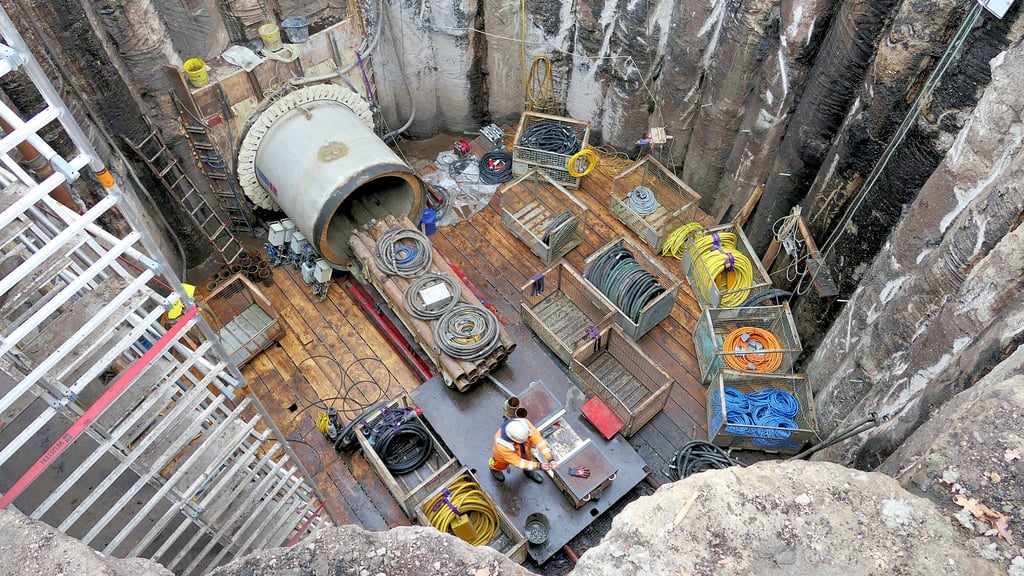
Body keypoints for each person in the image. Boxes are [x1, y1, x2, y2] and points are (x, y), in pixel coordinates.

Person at [489, 417, 558, 484]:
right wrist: (539, 466)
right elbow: (518, 462)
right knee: (499, 463)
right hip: (502, 456)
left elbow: (539, 441)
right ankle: (494, 468)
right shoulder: (501, 445)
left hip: (524, 448)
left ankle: (528, 471)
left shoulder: (524, 424)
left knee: (528, 459)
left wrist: (550, 458)